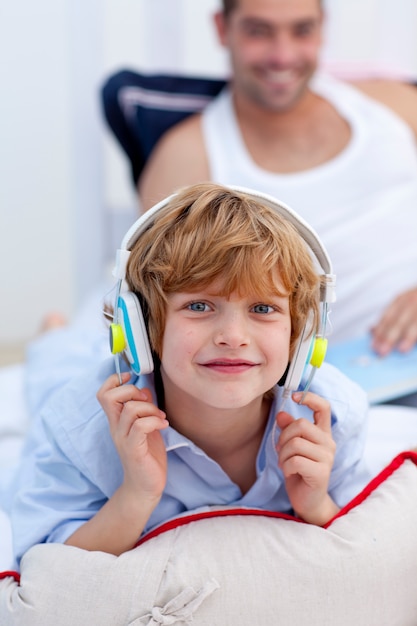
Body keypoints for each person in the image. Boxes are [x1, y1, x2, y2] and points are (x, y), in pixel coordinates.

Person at [10, 183, 370, 561]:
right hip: (73, 383)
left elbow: (362, 555)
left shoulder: (334, 416)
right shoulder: (80, 423)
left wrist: (316, 506)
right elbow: (45, 564)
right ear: (140, 325)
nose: (233, 338)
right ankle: (52, 337)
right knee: (54, 372)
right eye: (199, 306)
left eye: (263, 309)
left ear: (303, 331)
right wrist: (135, 496)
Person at [139, 0, 417, 364]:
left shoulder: (392, 105)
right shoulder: (189, 156)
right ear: (223, 29)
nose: (282, 56)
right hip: (342, 380)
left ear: (322, 29)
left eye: (302, 30)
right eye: (259, 31)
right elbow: (160, 312)